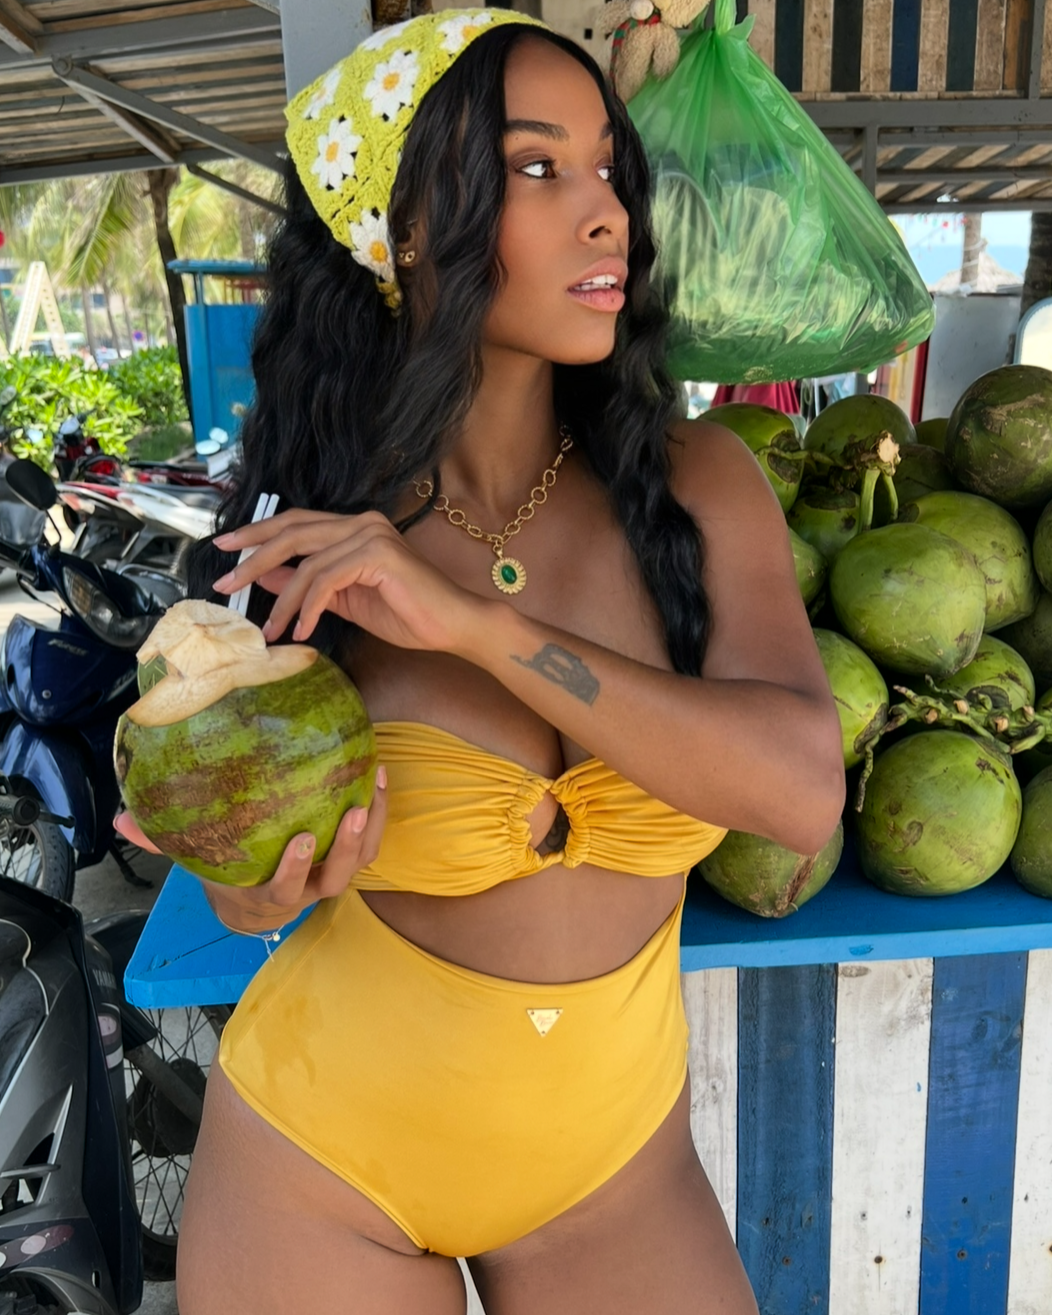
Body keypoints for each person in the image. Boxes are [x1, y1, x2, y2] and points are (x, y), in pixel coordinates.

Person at [118, 11, 844, 1312]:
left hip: (612, 1175)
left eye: (609, 166)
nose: (607, 209)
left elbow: (799, 788)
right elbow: (248, 892)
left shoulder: (702, 486)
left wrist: (478, 629)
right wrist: (246, 882)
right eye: (537, 167)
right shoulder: (314, 536)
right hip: (328, 1168)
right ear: (406, 228)